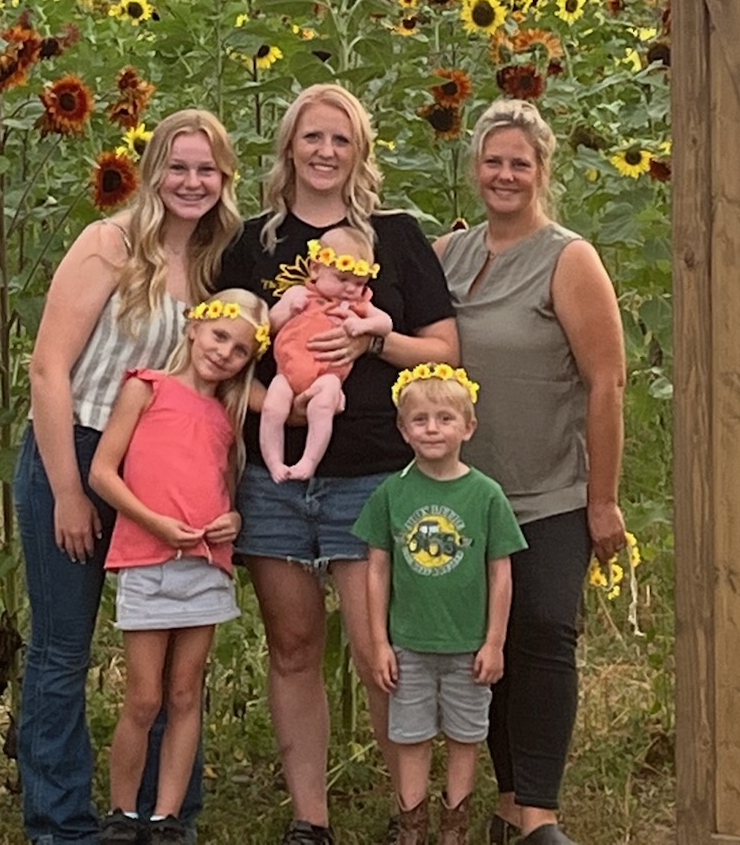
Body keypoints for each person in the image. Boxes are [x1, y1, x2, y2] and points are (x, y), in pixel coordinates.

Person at [216, 82, 461, 845]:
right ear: (288, 146)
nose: (325, 152)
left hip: (371, 472)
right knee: (292, 646)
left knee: (375, 648)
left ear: (360, 153)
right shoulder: (252, 243)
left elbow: (445, 351)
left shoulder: (395, 236)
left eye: (341, 140)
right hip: (278, 474)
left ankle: (409, 813)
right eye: (311, 137)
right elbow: (221, 357)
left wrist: (372, 342)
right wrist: (275, 410)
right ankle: (308, 820)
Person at [16, 109, 242, 845]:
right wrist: (69, 489)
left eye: (206, 169)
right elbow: (48, 368)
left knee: (175, 649)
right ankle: (62, 822)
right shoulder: (108, 245)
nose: (191, 181)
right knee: (62, 647)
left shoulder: (214, 264)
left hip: (169, 472)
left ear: (224, 179)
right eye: (177, 166)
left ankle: (162, 814)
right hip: (79, 451)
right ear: (152, 171)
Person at [434, 100, 628, 845]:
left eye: (520, 162)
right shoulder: (448, 254)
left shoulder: (567, 258)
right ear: (474, 167)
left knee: (545, 629)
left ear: (542, 172)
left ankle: (541, 814)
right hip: (464, 493)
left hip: (549, 489)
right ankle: (509, 801)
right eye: (492, 160)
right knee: (493, 643)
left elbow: (606, 383)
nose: (504, 174)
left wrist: (602, 500)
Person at [89, 293, 267, 845]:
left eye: (240, 350)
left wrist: (233, 519)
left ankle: (167, 819)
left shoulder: (228, 415)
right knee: (144, 696)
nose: (225, 354)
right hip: (147, 558)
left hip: (205, 568)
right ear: (194, 328)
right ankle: (123, 813)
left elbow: (224, 488)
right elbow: (102, 472)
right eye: (219, 337)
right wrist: (155, 523)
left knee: (187, 693)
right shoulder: (146, 387)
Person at [354, 365, 526, 845]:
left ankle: (454, 831)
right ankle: (412, 828)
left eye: (445, 419)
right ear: (403, 429)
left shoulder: (486, 495)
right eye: (421, 420)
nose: (433, 429)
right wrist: (379, 641)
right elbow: (376, 568)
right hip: (408, 645)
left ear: (468, 427)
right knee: (409, 737)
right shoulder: (392, 492)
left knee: (464, 738)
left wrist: (494, 642)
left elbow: (501, 571)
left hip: (468, 647)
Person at [259, 225, 393, 483]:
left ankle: (308, 461)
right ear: (316, 269)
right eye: (342, 279)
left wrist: (364, 326)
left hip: (327, 374)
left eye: (359, 283)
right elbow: (269, 325)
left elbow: (385, 323)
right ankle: (274, 461)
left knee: (322, 406)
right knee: (272, 408)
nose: (351, 289)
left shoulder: (356, 304)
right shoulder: (298, 294)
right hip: (287, 373)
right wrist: (288, 310)